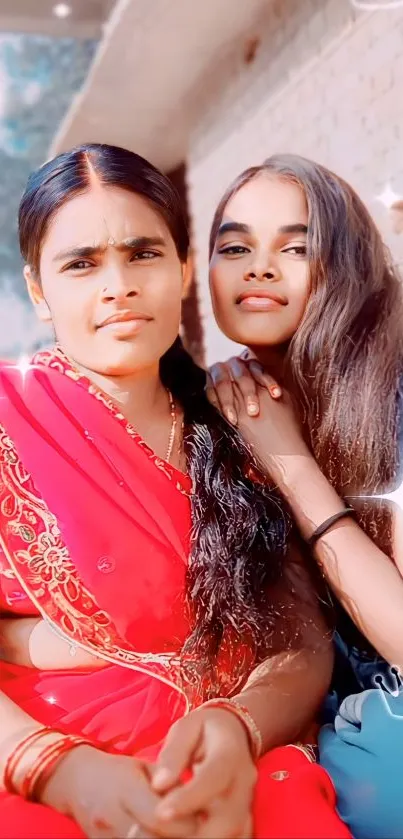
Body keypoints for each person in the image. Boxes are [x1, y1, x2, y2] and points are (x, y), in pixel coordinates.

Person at [0, 144, 351, 839]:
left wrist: (236, 726)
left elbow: (300, 639)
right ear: (38, 288)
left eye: (143, 254)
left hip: (237, 762)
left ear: (184, 269)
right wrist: (60, 770)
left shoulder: (239, 420)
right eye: (80, 263)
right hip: (41, 769)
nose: (118, 285)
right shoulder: (9, 416)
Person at [207, 152, 403, 839]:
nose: (259, 267)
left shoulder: (390, 391)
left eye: (296, 247)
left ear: (343, 264)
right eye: (234, 246)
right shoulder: (211, 411)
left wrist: (287, 461)